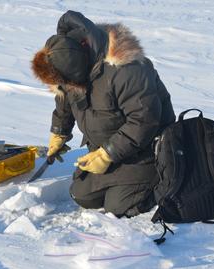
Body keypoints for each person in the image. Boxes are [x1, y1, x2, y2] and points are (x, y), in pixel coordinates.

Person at [31, 10, 175, 217]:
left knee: (119, 207)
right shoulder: (71, 60)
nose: (62, 87)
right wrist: (59, 132)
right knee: (82, 196)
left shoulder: (127, 70)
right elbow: (65, 98)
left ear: (77, 74)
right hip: (106, 147)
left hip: (147, 151)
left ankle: (164, 182)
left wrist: (108, 154)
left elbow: (144, 121)